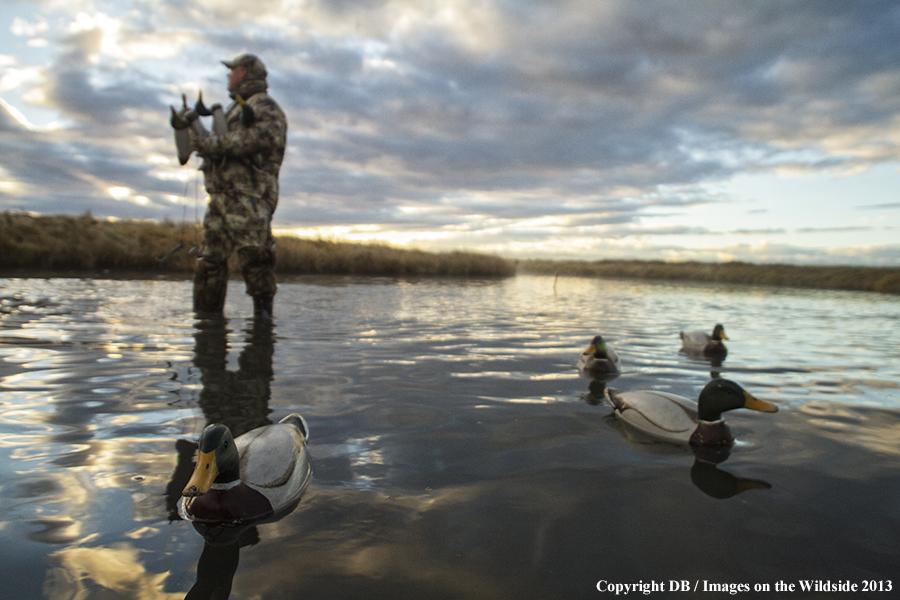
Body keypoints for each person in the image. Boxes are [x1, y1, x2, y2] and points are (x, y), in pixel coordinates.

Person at [188, 53, 287, 319]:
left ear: (243, 72)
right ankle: (206, 331)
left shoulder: (265, 105)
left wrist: (212, 145)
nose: (228, 76)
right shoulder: (233, 110)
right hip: (220, 199)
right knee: (209, 264)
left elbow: (264, 137)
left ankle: (262, 336)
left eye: (232, 71)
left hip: (250, 198)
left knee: (256, 262)